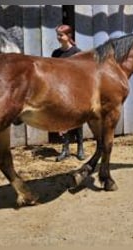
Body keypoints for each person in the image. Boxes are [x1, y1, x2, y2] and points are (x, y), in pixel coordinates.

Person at [51, 24, 85, 162]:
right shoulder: (56, 54)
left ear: (68, 36)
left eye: (61, 35)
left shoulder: (77, 53)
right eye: (58, 35)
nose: (59, 38)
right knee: (62, 119)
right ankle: (65, 149)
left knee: (77, 120)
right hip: (60, 91)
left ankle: (80, 148)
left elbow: (82, 74)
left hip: (75, 91)